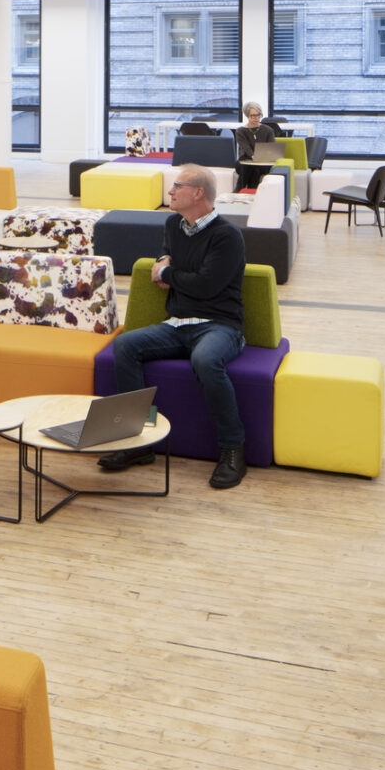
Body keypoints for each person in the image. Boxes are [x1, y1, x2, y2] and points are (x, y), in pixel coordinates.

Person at [99, 164, 250, 489]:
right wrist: (167, 266)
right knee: (125, 345)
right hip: (177, 324)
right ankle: (137, 443)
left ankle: (233, 449)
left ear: (197, 193)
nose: (169, 192)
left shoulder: (227, 236)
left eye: (176, 186)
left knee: (206, 360)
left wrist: (168, 274)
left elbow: (206, 285)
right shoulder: (173, 223)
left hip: (220, 326)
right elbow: (166, 257)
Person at [233, 101, 280, 190]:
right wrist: (254, 156)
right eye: (253, 115)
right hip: (245, 161)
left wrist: (262, 157)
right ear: (247, 115)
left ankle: (239, 191)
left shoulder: (268, 130)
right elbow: (247, 149)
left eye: (258, 115)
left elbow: (272, 148)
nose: (256, 118)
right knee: (247, 166)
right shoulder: (241, 131)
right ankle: (250, 191)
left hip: (264, 162)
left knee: (256, 169)